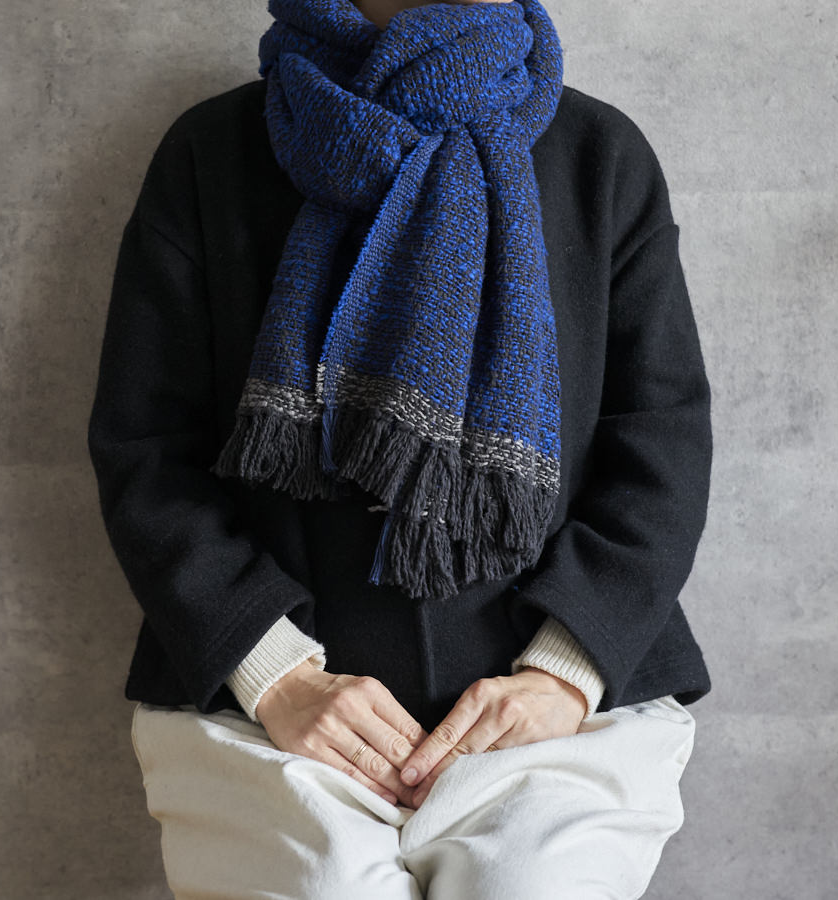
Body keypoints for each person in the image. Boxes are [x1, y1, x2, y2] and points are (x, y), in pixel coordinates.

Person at [86, 0, 713, 896]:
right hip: (268, 715)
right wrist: (275, 675)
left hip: (559, 718)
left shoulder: (598, 154)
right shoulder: (213, 152)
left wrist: (564, 673)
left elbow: (662, 441)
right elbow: (147, 447)